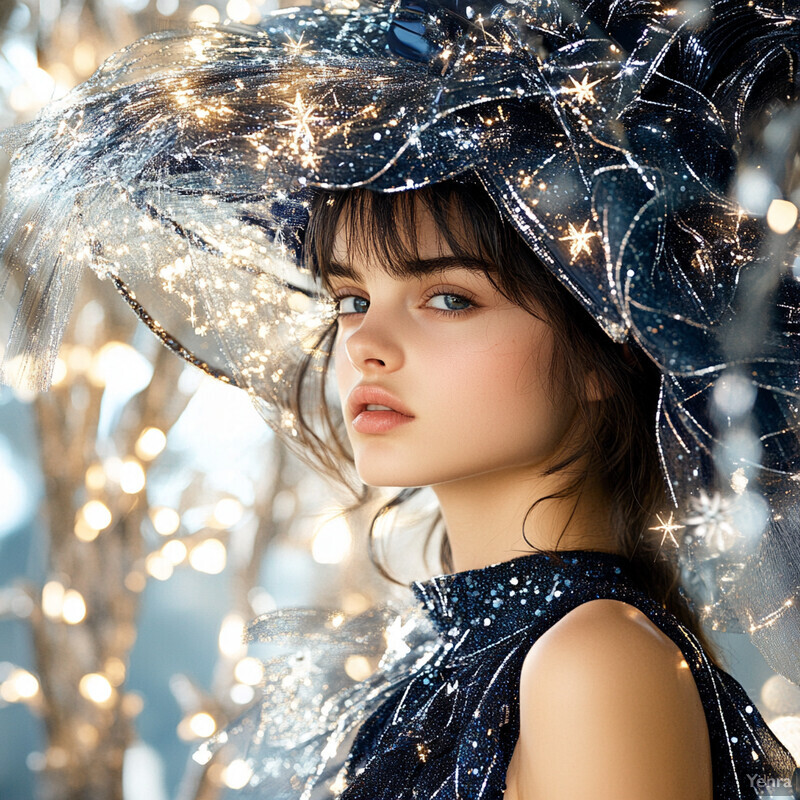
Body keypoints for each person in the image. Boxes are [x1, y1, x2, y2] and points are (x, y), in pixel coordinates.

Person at [0, 0, 799, 797]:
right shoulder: (459, 662)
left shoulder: (594, 662)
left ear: (608, 342)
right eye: (350, 298)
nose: (365, 343)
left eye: (448, 298)